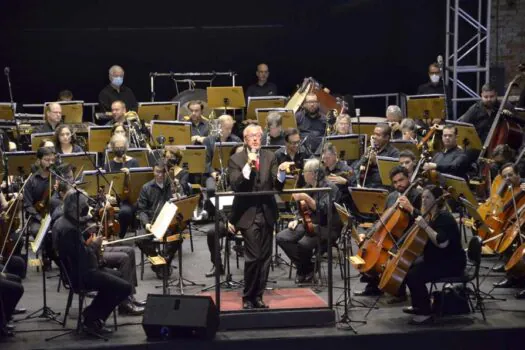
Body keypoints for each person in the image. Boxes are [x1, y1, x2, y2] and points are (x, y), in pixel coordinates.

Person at [55, 189, 132, 334]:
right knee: (124, 287)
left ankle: (92, 315)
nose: (86, 209)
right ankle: (91, 318)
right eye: (84, 206)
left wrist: (87, 243)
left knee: (119, 276)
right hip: (81, 274)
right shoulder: (69, 230)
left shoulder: (63, 221)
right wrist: (94, 244)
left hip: (81, 269)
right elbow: (81, 256)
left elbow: (77, 250)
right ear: (75, 207)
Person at [228, 124, 285, 309]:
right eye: (251, 136)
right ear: (245, 140)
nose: (255, 139)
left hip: (267, 211)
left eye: (258, 136)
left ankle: (258, 296)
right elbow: (236, 185)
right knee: (254, 256)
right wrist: (248, 166)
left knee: (265, 257)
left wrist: (283, 173)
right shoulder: (236, 159)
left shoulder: (270, 156)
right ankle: (247, 296)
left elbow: (278, 185)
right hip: (247, 213)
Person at [355, 166, 421, 301]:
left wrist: (411, 209)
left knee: (390, 254)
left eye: (401, 180)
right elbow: (382, 220)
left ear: (408, 178)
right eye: (395, 182)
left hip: (409, 235)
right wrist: (368, 234)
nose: (399, 184)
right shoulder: (392, 197)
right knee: (368, 247)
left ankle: (398, 291)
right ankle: (373, 287)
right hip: (390, 235)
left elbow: (425, 218)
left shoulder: (417, 196)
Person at [404, 185, 466, 325]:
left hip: (451, 262)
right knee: (409, 267)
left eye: (428, 197)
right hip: (439, 258)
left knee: (415, 275)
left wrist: (425, 226)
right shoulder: (432, 215)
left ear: (437, 200)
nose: (424, 201)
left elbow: (442, 243)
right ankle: (418, 305)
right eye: (423, 197)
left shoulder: (444, 217)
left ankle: (424, 313)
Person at [276, 158, 342, 283]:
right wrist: (297, 219)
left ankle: (303, 270)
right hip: (308, 223)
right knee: (281, 237)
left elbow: (323, 210)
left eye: (305, 172)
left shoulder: (330, 188)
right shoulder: (308, 186)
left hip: (326, 226)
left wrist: (306, 197)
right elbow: (299, 208)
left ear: (313, 174)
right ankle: (307, 268)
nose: (303, 174)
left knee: (303, 244)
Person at [136, 159, 184, 279]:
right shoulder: (146, 188)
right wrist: (146, 224)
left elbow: (183, 203)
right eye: (157, 172)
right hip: (153, 223)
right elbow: (141, 210)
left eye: (163, 172)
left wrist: (179, 193)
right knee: (140, 238)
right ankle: (159, 263)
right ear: (153, 171)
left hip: (170, 223)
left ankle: (164, 260)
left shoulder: (173, 185)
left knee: (178, 236)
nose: (160, 175)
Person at [104, 134, 138, 239]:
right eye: (117, 147)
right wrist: (108, 196)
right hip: (114, 197)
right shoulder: (108, 164)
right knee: (102, 210)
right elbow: (106, 184)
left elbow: (138, 184)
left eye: (122, 147)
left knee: (125, 212)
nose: (119, 149)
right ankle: (107, 234)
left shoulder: (133, 162)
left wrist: (129, 174)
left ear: (126, 147)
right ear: (113, 148)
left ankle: (120, 235)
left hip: (129, 198)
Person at [354, 123, 400, 188]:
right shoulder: (370, 149)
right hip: (367, 186)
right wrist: (358, 183)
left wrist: (376, 162)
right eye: (374, 134)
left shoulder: (394, 153)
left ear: (386, 138)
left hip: (382, 187)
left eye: (378, 135)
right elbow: (357, 168)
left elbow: (391, 176)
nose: (374, 137)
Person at [322, 142, 354, 206]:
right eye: (324, 158)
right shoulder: (323, 169)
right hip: (326, 202)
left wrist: (346, 182)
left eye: (327, 158)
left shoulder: (346, 169)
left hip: (341, 204)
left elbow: (354, 189)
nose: (325, 161)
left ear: (335, 155)